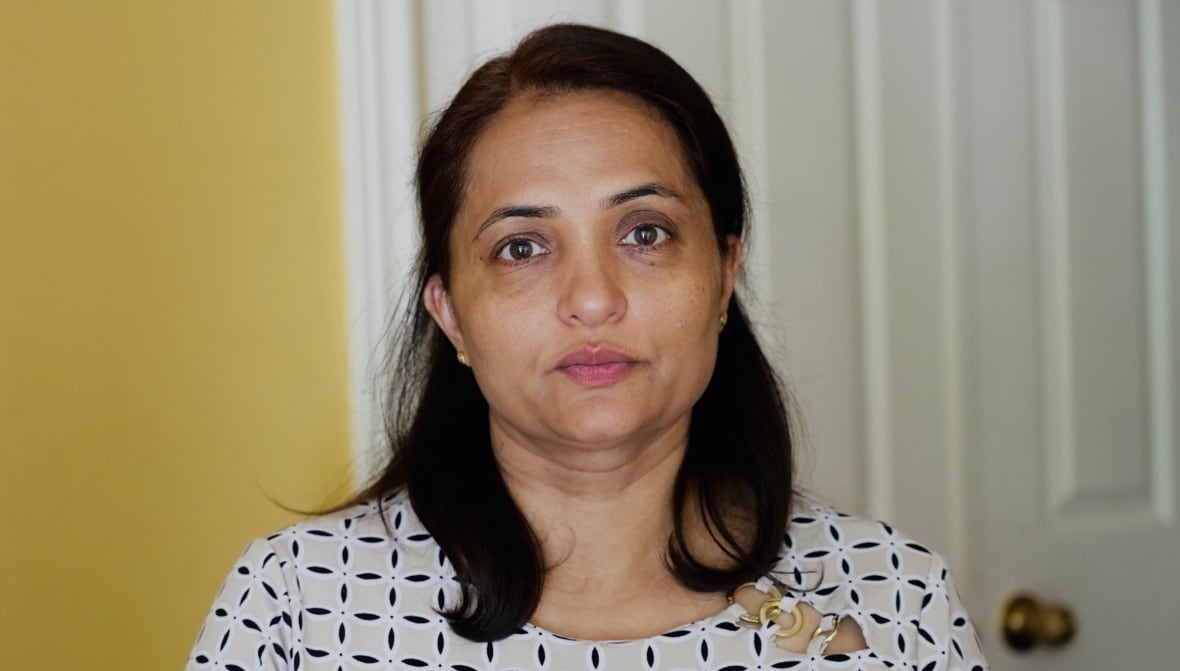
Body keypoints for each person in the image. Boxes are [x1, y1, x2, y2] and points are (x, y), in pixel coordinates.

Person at [186, 24, 988, 670]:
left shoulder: (895, 597)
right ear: (451, 315)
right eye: (522, 247)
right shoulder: (297, 603)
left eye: (645, 233)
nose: (594, 298)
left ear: (722, 277)